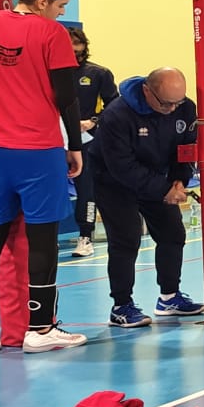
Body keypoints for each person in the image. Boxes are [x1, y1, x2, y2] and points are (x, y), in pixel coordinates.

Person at [0, 0, 86, 352]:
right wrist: (75, 145)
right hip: (37, 150)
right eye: (60, 5)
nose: (62, 13)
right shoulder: (51, 33)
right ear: (42, 1)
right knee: (43, 239)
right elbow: (67, 96)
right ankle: (40, 329)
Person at [92, 68, 204, 328]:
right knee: (126, 239)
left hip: (157, 177)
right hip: (113, 181)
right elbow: (122, 166)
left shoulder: (185, 108)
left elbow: (186, 148)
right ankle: (121, 306)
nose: (172, 109)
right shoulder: (116, 115)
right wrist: (164, 190)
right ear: (147, 91)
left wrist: (179, 180)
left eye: (177, 103)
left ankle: (169, 298)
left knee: (173, 233)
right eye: (166, 103)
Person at [68, 26, 113, 259]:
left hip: (86, 141)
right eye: (68, 44)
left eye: (77, 43)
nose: (73, 49)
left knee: (86, 189)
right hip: (53, 140)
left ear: (84, 46)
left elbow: (113, 106)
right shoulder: (49, 73)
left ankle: (86, 236)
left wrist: (92, 122)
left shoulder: (98, 73)